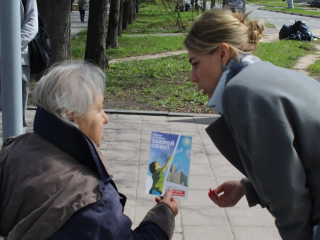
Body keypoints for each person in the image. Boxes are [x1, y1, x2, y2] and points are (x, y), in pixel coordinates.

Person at [0, 61, 178, 240]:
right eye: (99, 109)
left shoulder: (13, 148)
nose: (106, 119)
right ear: (71, 115)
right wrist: (163, 216)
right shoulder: (93, 199)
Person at [184, 9, 320, 240]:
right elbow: (294, 162)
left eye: (195, 63)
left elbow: (289, 198)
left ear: (222, 53)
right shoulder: (266, 75)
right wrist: (249, 186)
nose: (192, 77)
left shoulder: (241, 92)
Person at [0, 0, 38, 132]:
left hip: (19, 61)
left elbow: (32, 25)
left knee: (17, 112)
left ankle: (17, 144)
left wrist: (8, 47)